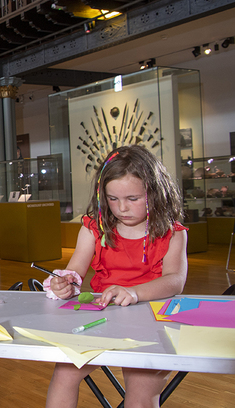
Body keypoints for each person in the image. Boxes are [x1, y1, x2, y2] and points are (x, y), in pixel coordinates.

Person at [44, 145, 188, 408]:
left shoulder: (173, 233)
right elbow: (74, 273)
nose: (122, 208)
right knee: (64, 375)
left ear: (155, 192)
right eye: (112, 199)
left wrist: (134, 292)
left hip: (152, 318)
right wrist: (65, 283)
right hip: (100, 318)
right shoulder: (92, 228)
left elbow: (175, 280)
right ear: (102, 196)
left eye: (133, 198)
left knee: (141, 396)